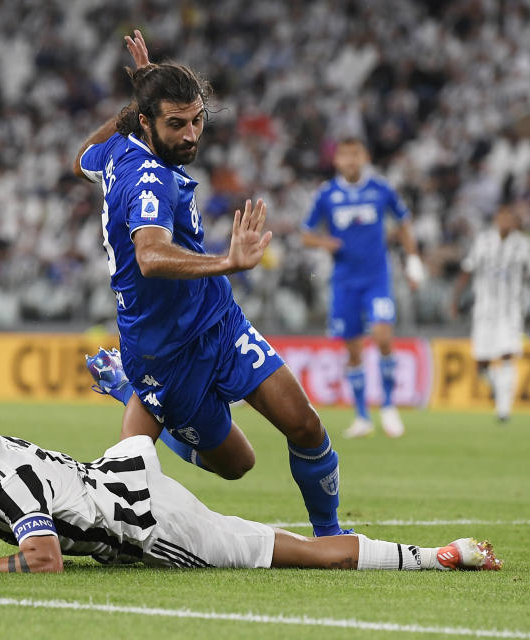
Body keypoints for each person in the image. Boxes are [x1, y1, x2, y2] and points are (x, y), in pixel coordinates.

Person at [0, 372, 501, 573]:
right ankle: (141, 388)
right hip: (102, 473)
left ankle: (436, 557)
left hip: (145, 518)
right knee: (131, 428)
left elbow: (44, 563)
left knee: (287, 550)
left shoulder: (2, 476)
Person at [73, 30, 347, 538]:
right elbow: (151, 256)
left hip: (218, 323)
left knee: (304, 424)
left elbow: (78, 158)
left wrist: (138, 99)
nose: (192, 135)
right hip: (164, 352)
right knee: (236, 463)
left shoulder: (114, 151)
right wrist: (229, 261)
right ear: (146, 124)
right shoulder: (148, 178)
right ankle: (130, 389)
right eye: (176, 125)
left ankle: (330, 536)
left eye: (197, 120)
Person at [300, 137, 425, 439]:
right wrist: (324, 242)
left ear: (365, 156)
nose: (351, 161)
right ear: (337, 160)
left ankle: (389, 405)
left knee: (383, 336)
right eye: (345, 156)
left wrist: (413, 261)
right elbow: (306, 234)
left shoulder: (381, 189)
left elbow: (404, 223)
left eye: (355, 155)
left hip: (376, 278)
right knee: (353, 349)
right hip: (344, 281)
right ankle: (362, 416)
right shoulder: (327, 194)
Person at [450, 203, 530, 422]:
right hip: (484, 311)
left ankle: (503, 411)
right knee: (482, 364)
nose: (505, 222)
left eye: (510, 218)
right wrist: (455, 299)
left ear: (515, 222)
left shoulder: (523, 245)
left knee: (507, 355)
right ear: (496, 219)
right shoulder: (483, 241)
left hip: (510, 311)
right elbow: (467, 270)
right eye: (502, 217)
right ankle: (498, 387)